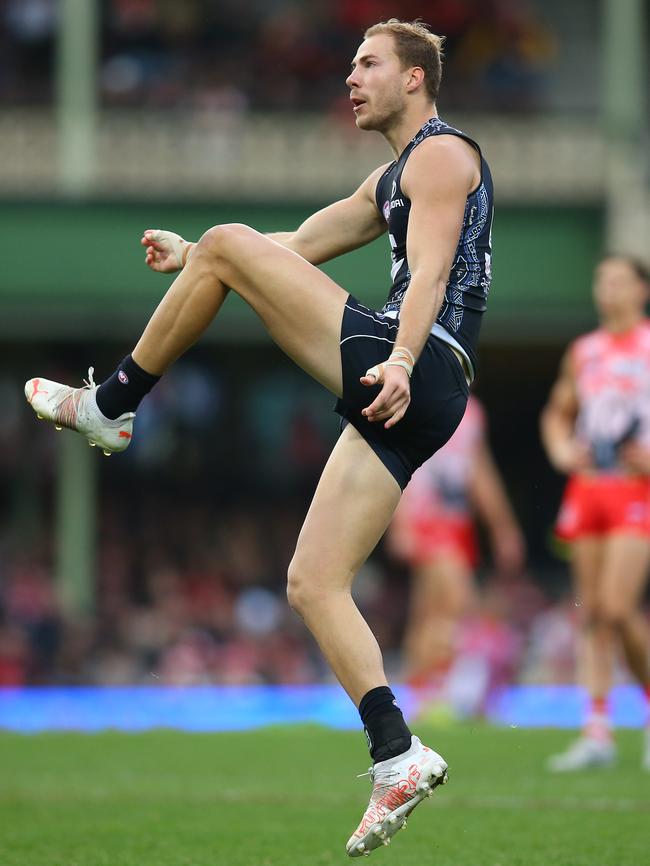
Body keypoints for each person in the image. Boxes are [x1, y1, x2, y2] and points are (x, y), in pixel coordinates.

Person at [25, 19, 494, 855]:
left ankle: (113, 404)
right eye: (349, 62)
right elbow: (299, 248)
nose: (350, 77)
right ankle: (398, 752)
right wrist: (198, 256)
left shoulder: (442, 155)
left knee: (231, 245)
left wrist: (402, 357)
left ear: (417, 79)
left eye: (369, 63)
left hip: (413, 362)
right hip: (415, 383)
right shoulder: (392, 175)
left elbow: (427, 271)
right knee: (314, 583)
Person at [541, 254, 650, 772]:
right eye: (601, 280)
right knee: (592, 615)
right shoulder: (584, 351)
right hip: (589, 488)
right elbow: (558, 412)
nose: (608, 290)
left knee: (617, 607)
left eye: (619, 281)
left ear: (641, 290)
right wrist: (562, 449)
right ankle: (597, 730)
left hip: (637, 488)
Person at [388, 395, 525, 715]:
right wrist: (400, 521)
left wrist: (503, 527)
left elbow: (479, 471)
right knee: (456, 604)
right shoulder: (413, 400)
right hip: (427, 517)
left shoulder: (471, 411)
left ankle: (420, 698)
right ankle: (434, 695)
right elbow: (396, 460)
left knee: (430, 612)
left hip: (457, 524)